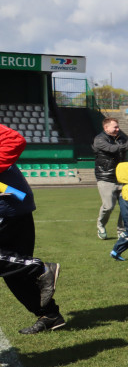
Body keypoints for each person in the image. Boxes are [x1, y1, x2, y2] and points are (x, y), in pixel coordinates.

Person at [0, 124, 63, 334]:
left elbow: (15, 139)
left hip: (7, 209)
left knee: (17, 266)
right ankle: (49, 315)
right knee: (15, 270)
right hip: (14, 208)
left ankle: (40, 269)